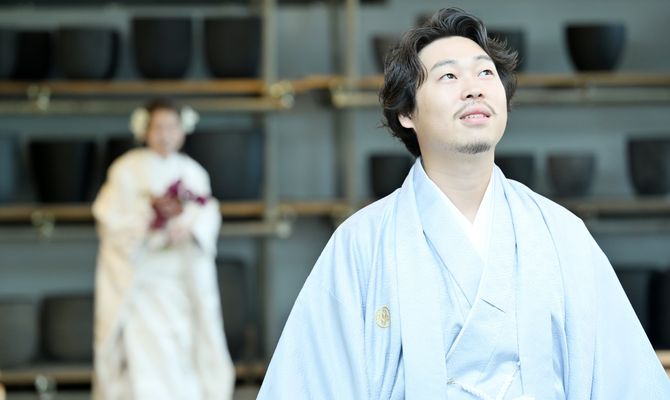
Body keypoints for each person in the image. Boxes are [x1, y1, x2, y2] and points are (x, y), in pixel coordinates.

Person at [258, 8, 670, 399]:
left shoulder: (562, 234)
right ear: (406, 112)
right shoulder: (361, 245)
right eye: (449, 75)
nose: (474, 88)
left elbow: (628, 382)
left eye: (485, 72)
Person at [92, 98, 234, 400]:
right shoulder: (126, 170)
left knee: (182, 346)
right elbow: (108, 217)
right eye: (158, 127)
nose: (165, 135)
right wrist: (146, 223)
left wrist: (189, 227)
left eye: (172, 127)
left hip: (179, 277)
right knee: (141, 349)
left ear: (182, 131)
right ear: (145, 130)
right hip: (140, 278)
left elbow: (208, 212)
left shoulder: (193, 172)